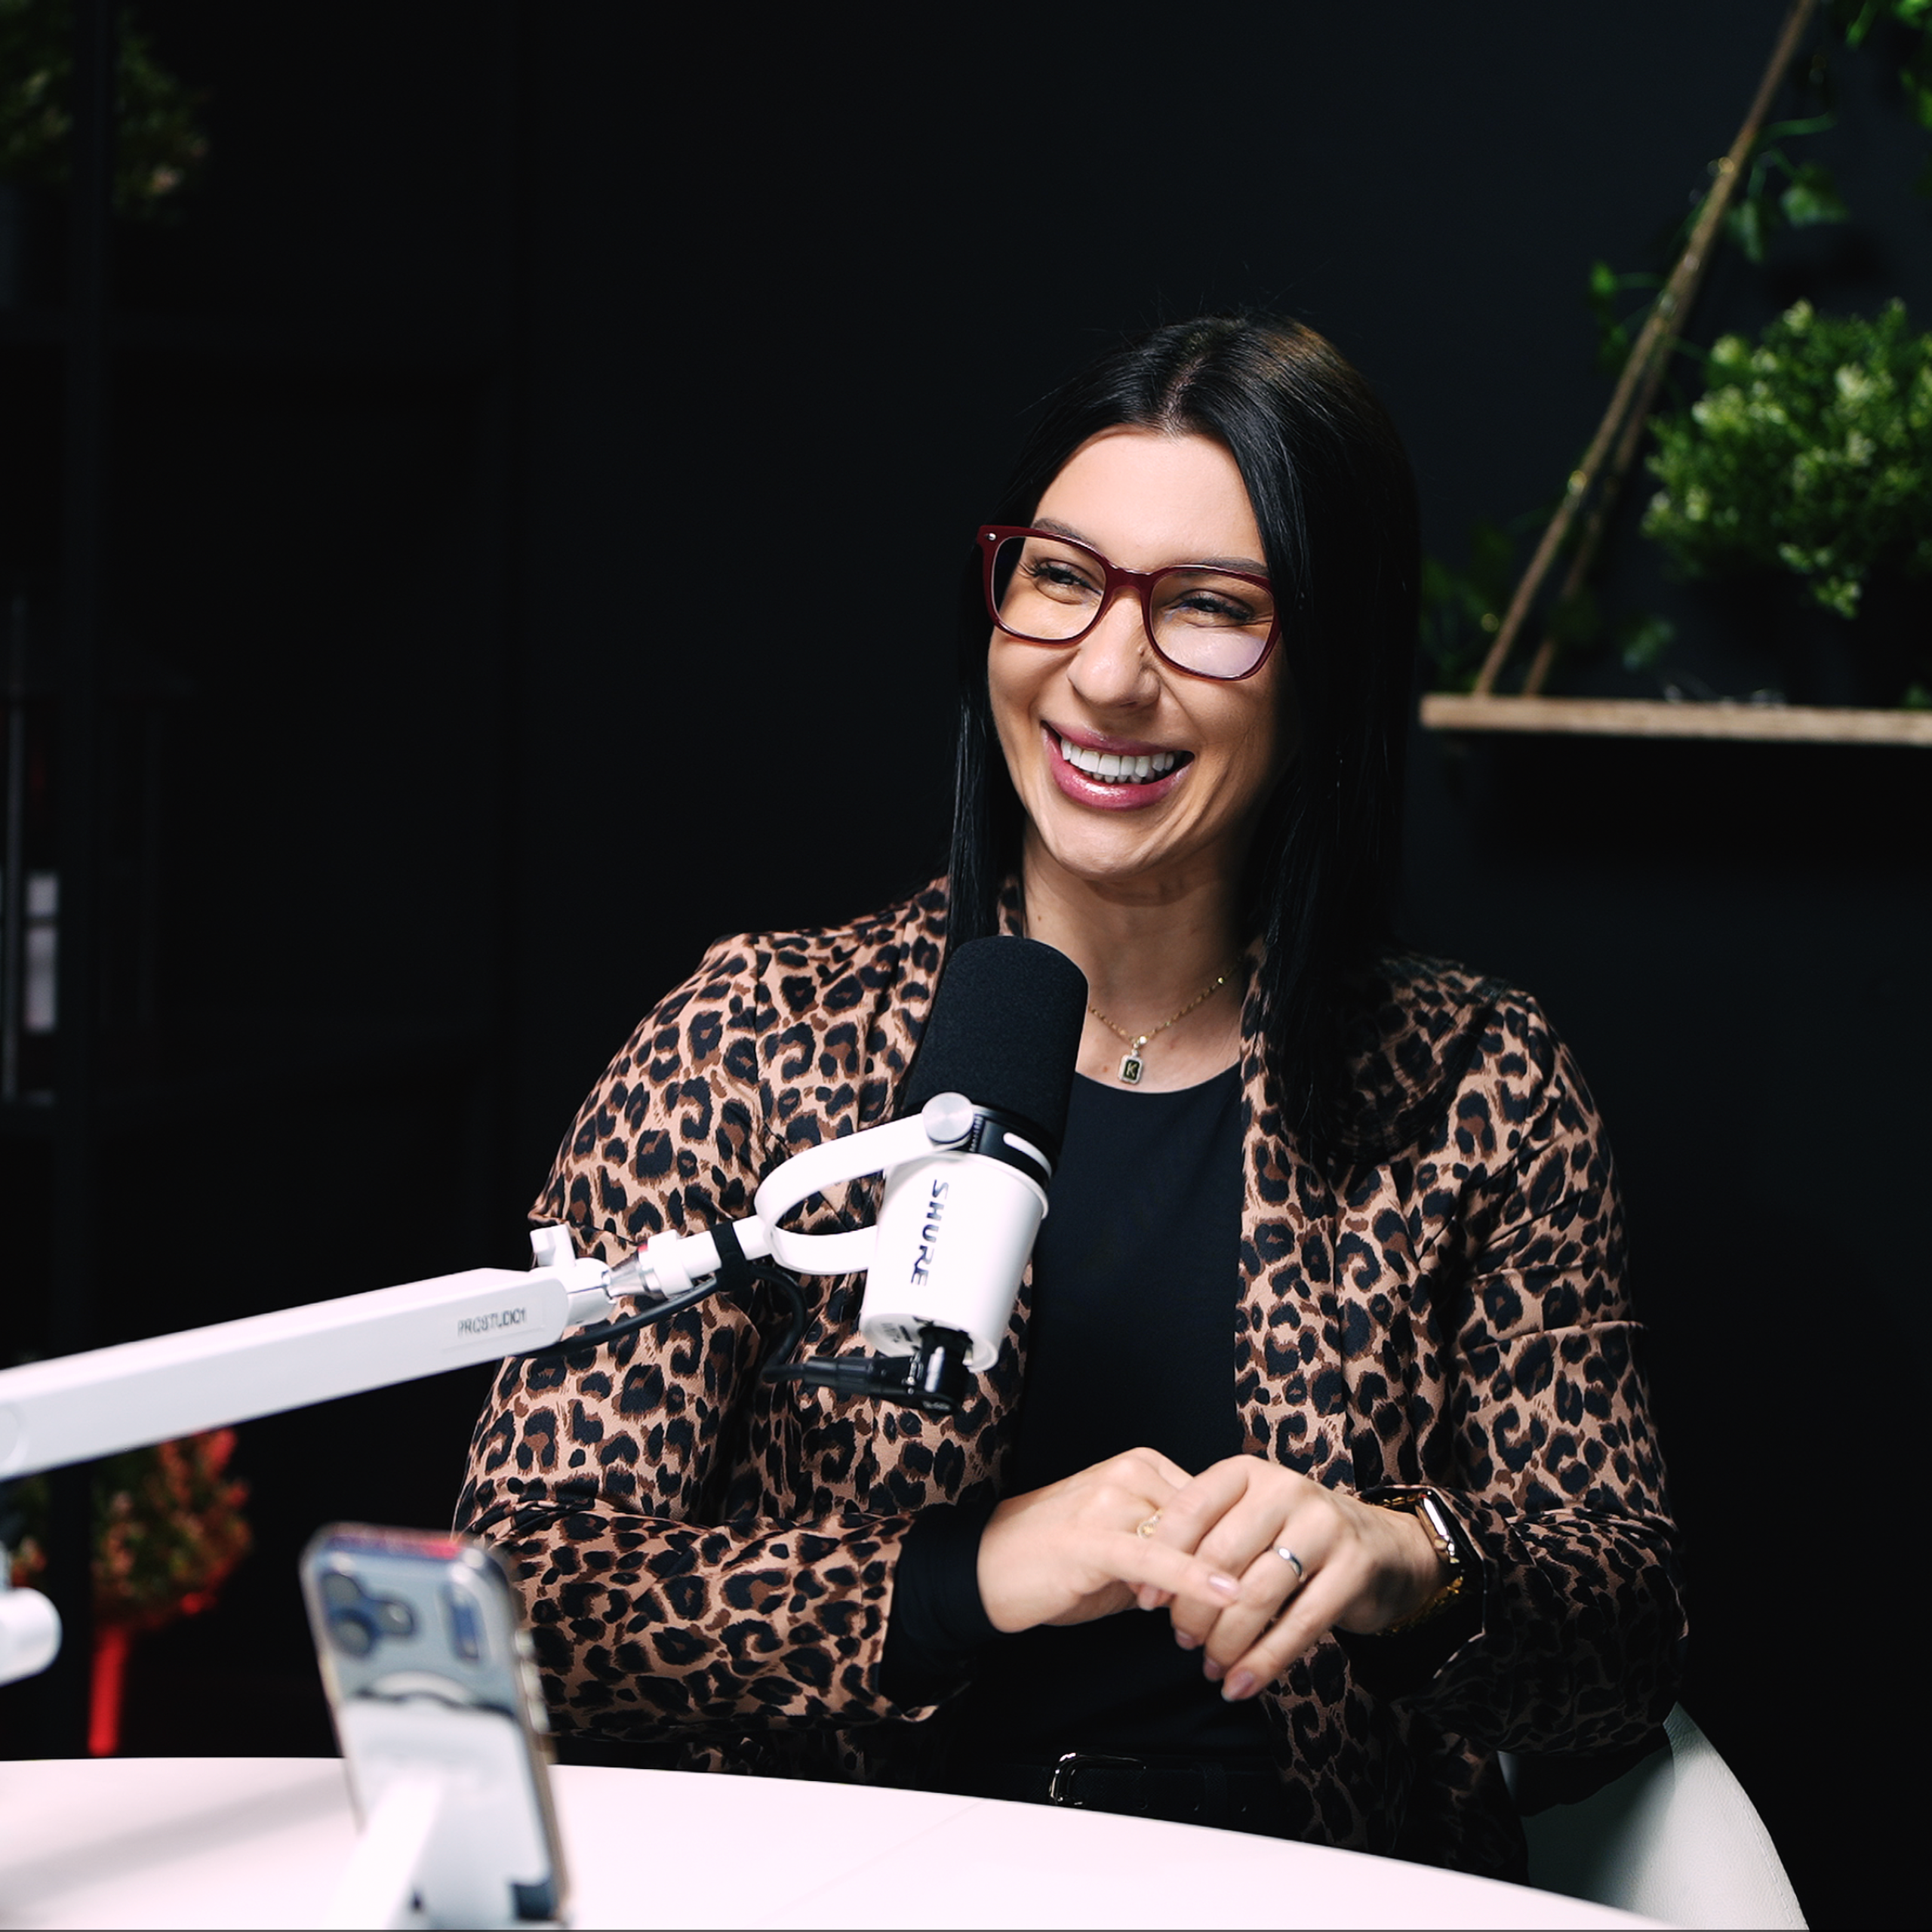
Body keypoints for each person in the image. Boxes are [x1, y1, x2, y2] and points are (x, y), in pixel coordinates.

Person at [457, 314, 1686, 1878]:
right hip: (845, 1887)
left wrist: (1408, 1559)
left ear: (1327, 665)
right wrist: (967, 1574)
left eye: (1211, 609)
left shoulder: (1472, 1086)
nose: (1106, 673)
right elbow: (518, 1597)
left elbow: (1624, 1642)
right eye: (1058, 576)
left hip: (1303, 1885)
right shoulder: (758, 1030)